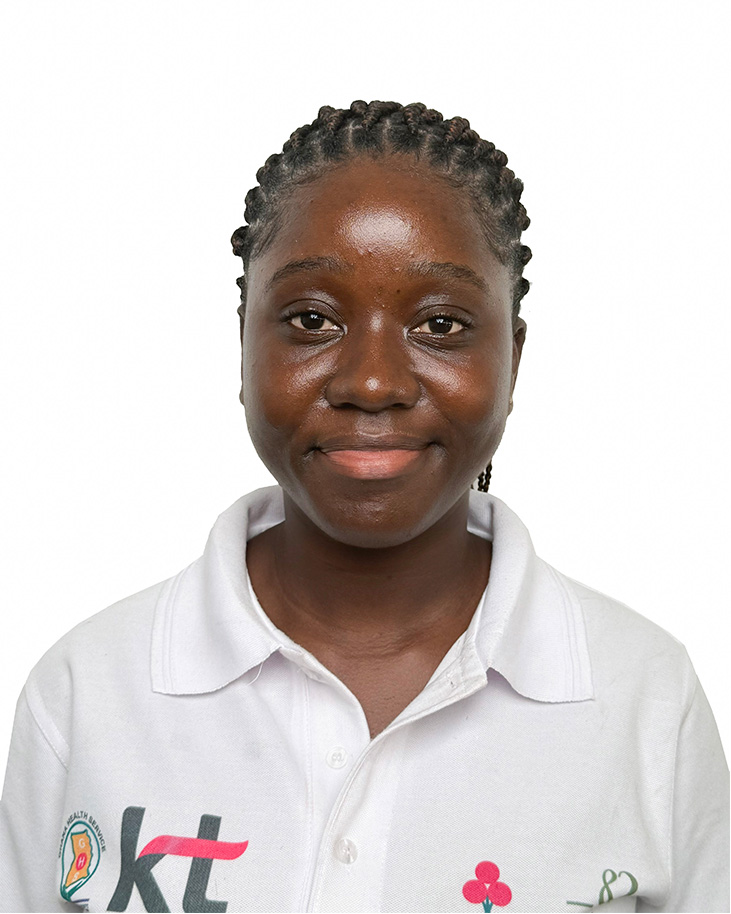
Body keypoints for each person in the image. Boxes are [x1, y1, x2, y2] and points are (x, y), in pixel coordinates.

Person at [0, 99, 727, 913]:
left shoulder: (644, 700)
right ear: (243, 344)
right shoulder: (89, 692)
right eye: (312, 319)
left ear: (512, 361)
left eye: (440, 324)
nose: (373, 381)